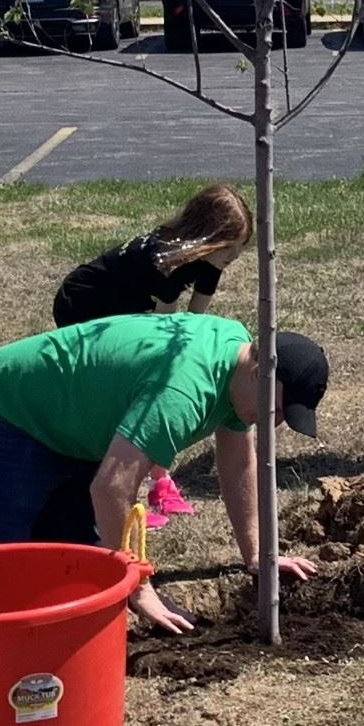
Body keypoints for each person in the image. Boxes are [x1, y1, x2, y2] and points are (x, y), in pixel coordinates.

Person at [0, 319, 330, 634]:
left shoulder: (238, 365)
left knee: (73, 569)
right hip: (12, 414)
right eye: (275, 409)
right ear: (258, 370)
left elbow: (238, 464)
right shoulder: (182, 393)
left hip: (77, 433)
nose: (274, 424)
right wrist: (139, 591)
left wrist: (258, 556)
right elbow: (111, 488)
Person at [52, 184, 254, 526]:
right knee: (123, 396)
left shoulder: (210, 260)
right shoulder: (166, 261)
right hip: (83, 303)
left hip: (126, 308)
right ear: (207, 236)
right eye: (230, 248)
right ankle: (121, 492)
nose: (234, 256)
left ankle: (158, 484)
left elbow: (195, 324)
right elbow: (165, 335)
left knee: (149, 388)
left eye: (238, 249)